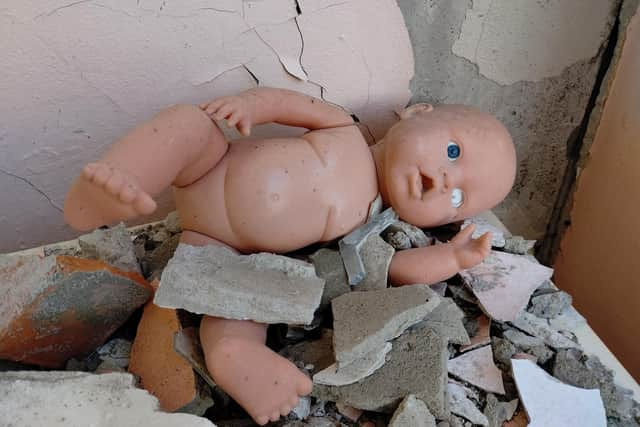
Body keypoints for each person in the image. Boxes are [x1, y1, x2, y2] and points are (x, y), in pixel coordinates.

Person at [64, 87, 516, 425]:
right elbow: (288, 105)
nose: (442, 179)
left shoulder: (374, 224)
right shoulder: (343, 127)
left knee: (252, 297)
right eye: (452, 152)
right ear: (417, 114)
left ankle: (238, 357)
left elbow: (397, 269)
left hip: (224, 249)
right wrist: (252, 106)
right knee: (188, 125)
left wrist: (452, 259)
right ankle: (120, 181)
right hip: (210, 166)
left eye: (457, 198)